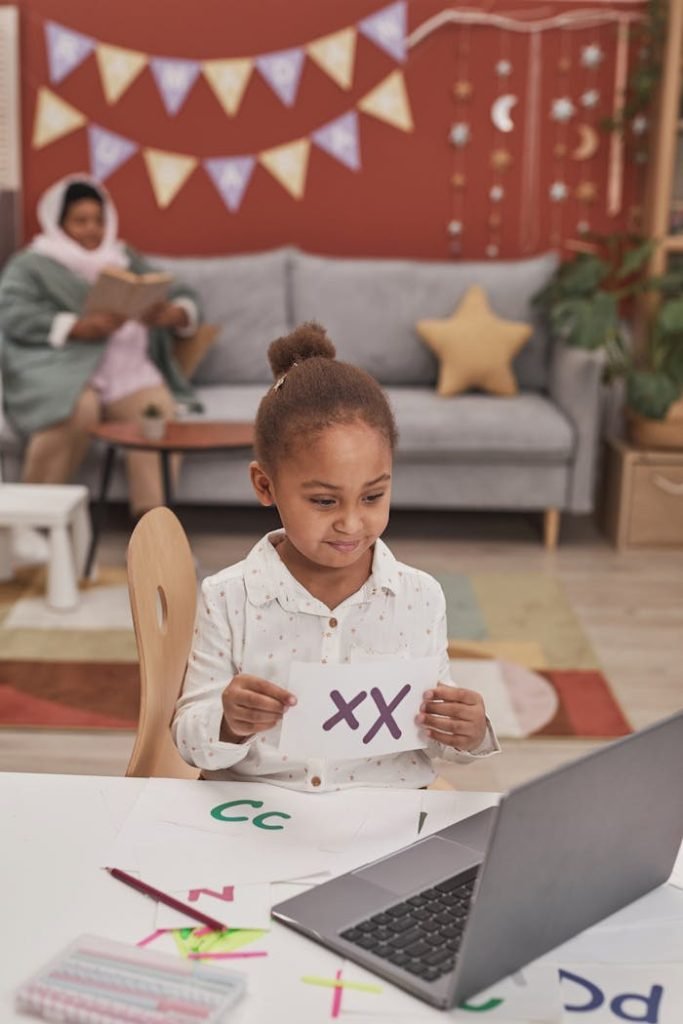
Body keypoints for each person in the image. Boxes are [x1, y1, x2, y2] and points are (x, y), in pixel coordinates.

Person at [173, 322, 499, 791]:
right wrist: (227, 721)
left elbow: (433, 738)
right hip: (260, 817)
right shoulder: (228, 597)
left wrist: (467, 733)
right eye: (325, 502)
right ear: (265, 485)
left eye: (373, 497)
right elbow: (188, 740)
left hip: (386, 813)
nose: (351, 523)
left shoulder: (419, 597)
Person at [0, 174, 202, 515]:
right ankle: (31, 522)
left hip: (130, 374)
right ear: (58, 223)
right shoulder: (31, 264)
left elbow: (181, 292)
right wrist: (76, 327)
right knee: (77, 409)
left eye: (98, 220)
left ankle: (152, 530)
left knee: (157, 416)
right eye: (80, 221)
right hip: (66, 375)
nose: (92, 230)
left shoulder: (123, 257)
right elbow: (12, 313)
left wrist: (175, 313)